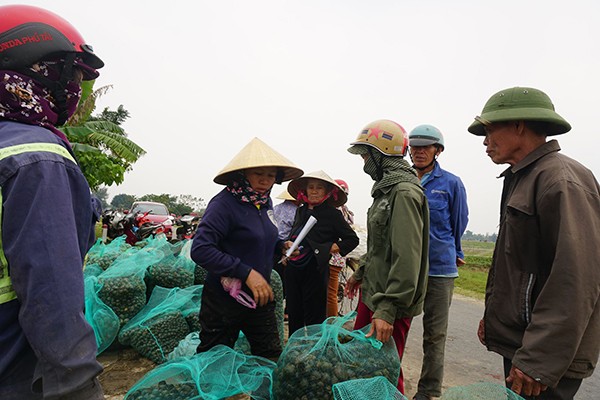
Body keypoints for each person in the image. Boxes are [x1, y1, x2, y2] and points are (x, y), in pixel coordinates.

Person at [0, 5, 106, 400]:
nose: (76, 89)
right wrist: (76, 384)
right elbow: (51, 295)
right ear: (37, 68)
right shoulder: (35, 157)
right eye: (73, 75)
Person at [468, 87, 600, 399]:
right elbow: (519, 264)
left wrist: (538, 360)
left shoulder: (560, 180)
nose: (485, 142)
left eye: (489, 130)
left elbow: (575, 279)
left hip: (546, 356)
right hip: (525, 343)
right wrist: (495, 316)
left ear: (519, 125)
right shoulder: (523, 177)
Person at [191, 137, 303, 360]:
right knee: (214, 359)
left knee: (269, 356)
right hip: (224, 299)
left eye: (270, 175)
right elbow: (201, 249)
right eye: (258, 173)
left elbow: (257, 239)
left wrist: (280, 247)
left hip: (260, 296)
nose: (265, 180)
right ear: (242, 175)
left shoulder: (264, 202)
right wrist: (246, 272)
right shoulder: (224, 204)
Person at [345, 119, 429, 395]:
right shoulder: (386, 190)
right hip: (374, 292)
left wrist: (388, 309)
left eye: (367, 155)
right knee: (363, 363)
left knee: (385, 370)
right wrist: (360, 273)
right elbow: (381, 246)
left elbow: (407, 257)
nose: (364, 162)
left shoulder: (403, 193)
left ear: (381, 155)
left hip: (389, 300)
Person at [408, 125, 469, 400]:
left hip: (440, 268)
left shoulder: (451, 183)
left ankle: (428, 390)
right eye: (414, 147)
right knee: (394, 325)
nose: (419, 152)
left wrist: (454, 249)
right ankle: (389, 380)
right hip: (406, 269)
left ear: (437, 150)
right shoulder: (403, 179)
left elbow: (459, 222)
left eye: (425, 147)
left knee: (435, 335)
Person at [285, 170, 359, 335]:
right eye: (311, 187)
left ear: (328, 192)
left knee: (315, 315)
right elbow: (295, 234)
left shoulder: (332, 214)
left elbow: (352, 239)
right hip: (294, 268)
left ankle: (314, 350)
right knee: (294, 311)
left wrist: (333, 247)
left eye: (319, 188)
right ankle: (294, 347)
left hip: (316, 269)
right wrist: (288, 246)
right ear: (305, 190)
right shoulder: (301, 210)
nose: (314, 191)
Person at [326, 178, 355, 317]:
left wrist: (335, 246)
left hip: (332, 257)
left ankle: (331, 322)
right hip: (340, 257)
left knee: (329, 293)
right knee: (331, 291)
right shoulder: (346, 211)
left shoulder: (334, 211)